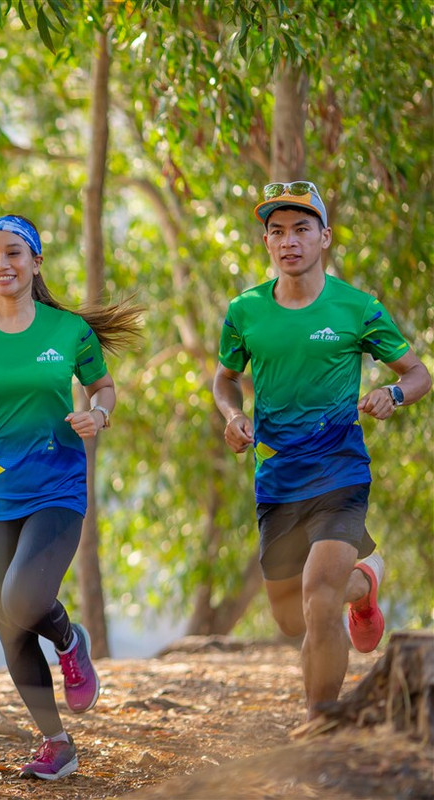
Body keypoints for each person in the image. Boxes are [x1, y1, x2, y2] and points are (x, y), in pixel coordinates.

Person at [0, 214, 142, 781]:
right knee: (11, 629)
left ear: (36, 262)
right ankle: (56, 744)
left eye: (14, 252)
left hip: (57, 489)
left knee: (23, 598)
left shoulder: (67, 332)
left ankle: (68, 637)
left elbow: (103, 385)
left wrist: (98, 413)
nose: (2, 264)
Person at [213, 180, 431, 721]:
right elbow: (225, 380)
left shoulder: (357, 308)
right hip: (276, 480)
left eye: (301, 229)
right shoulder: (245, 311)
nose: (289, 241)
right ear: (266, 242)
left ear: (324, 238)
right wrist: (234, 415)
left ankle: (322, 724)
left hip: (339, 473)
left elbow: (419, 373)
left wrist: (392, 393)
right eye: (277, 231)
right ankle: (367, 581)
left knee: (318, 595)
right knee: (292, 618)